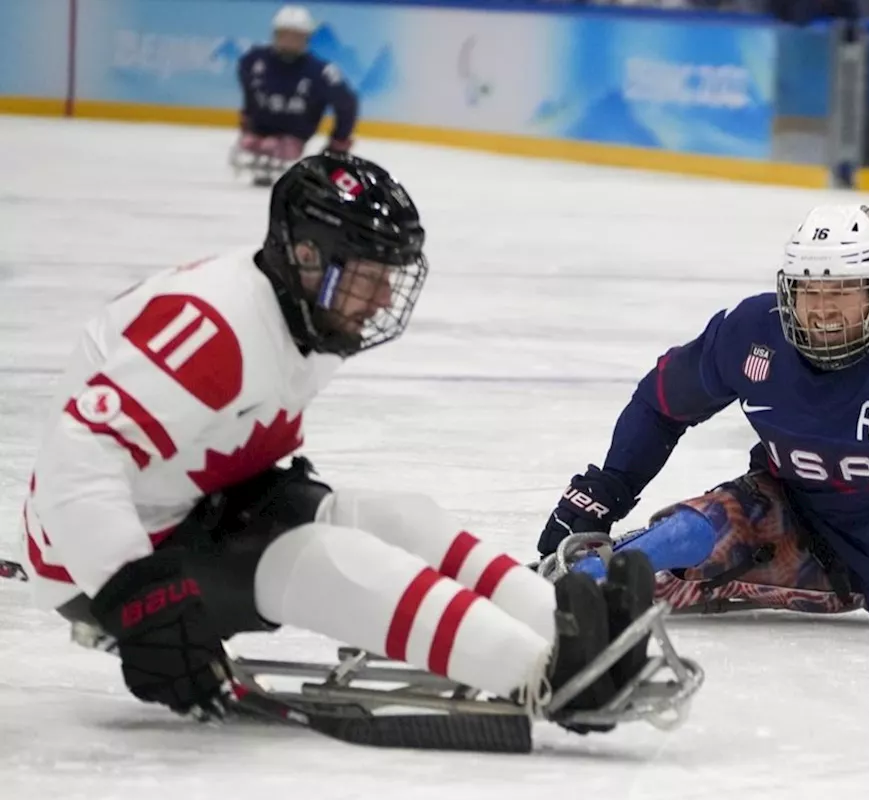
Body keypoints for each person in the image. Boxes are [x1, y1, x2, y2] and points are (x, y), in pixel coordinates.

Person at [19, 152, 655, 729]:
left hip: (197, 503)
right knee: (325, 563)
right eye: (370, 276)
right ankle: (543, 674)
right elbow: (79, 453)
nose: (382, 300)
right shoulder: (216, 329)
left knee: (402, 519)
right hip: (102, 563)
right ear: (306, 257)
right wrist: (139, 596)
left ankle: (572, 628)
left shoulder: (305, 312)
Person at [537, 204, 869, 655]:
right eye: (807, 291)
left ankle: (582, 583)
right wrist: (606, 490)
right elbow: (661, 402)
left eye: (843, 292)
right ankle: (568, 587)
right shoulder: (751, 332)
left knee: (682, 554)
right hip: (777, 503)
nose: (821, 312)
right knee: (687, 535)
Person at [233, 5, 359, 186]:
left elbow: (346, 102)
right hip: (260, 128)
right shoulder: (253, 61)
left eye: (296, 36)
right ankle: (261, 137)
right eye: (284, 35)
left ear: (306, 39)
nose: (289, 41)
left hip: (295, 132)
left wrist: (338, 141)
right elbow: (250, 90)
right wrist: (247, 117)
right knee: (254, 142)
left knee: (275, 146)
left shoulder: (321, 72)